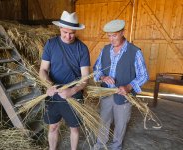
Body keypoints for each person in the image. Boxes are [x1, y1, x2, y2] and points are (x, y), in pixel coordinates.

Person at [93, 20, 149, 150]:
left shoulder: (135, 52)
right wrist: (103, 77)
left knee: (121, 124)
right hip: (106, 93)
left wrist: (129, 87)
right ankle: (100, 145)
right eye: (109, 36)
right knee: (103, 121)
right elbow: (96, 68)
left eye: (114, 35)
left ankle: (116, 147)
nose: (111, 39)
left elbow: (144, 76)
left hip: (124, 96)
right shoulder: (105, 50)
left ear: (123, 32)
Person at [39, 10, 90, 150]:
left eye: (72, 33)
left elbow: (85, 79)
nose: (68, 36)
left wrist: (72, 90)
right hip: (53, 92)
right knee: (53, 126)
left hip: (74, 95)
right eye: (65, 32)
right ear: (60, 28)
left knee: (74, 128)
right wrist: (49, 85)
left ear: (76, 31)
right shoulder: (50, 44)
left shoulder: (82, 49)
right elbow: (42, 70)